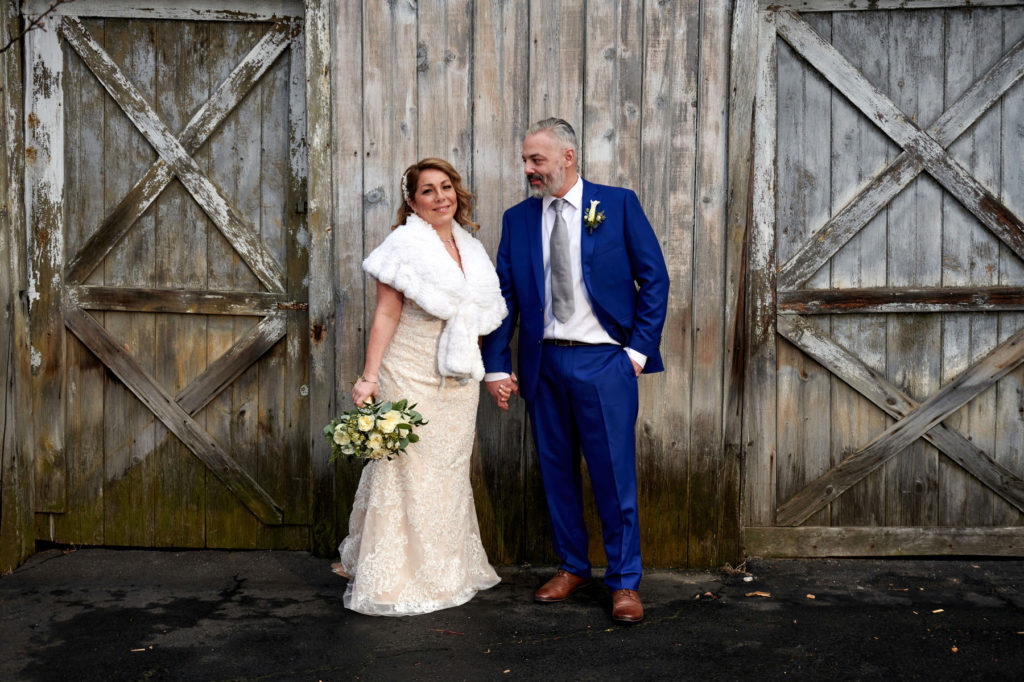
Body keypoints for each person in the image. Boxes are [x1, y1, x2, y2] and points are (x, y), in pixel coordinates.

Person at [481, 118, 669, 624]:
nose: (527, 169)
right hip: (544, 364)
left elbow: (654, 278)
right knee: (556, 472)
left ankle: (625, 582)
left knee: (613, 476)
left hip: (605, 362)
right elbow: (506, 298)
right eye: (524, 160)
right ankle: (572, 566)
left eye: (536, 160)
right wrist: (496, 366)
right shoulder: (518, 219)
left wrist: (636, 353)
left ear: (568, 156)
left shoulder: (617, 203)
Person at [333, 158, 507, 616]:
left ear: (457, 192)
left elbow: (483, 317)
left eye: (445, 187)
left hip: (457, 376)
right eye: (427, 191)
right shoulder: (404, 244)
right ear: (412, 201)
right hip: (409, 372)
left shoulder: (471, 247)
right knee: (406, 471)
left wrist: (495, 371)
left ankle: (448, 568)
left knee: (448, 471)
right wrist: (369, 377)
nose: (439, 197)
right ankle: (395, 578)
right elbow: (387, 313)